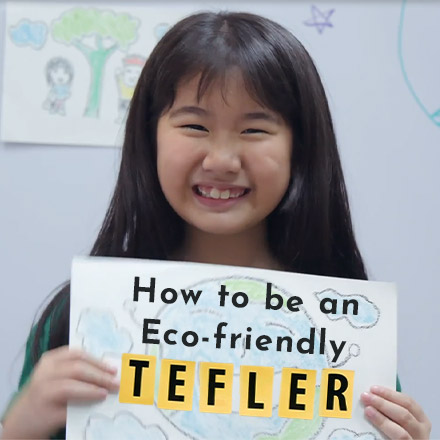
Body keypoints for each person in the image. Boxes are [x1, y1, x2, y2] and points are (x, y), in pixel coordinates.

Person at [1, 11, 431, 440]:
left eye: (254, 129)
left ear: (300, 149)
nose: (222, 160)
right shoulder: (76, 317)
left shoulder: (345, 329)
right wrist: (20, 428)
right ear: (149, 137)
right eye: (194, 125)